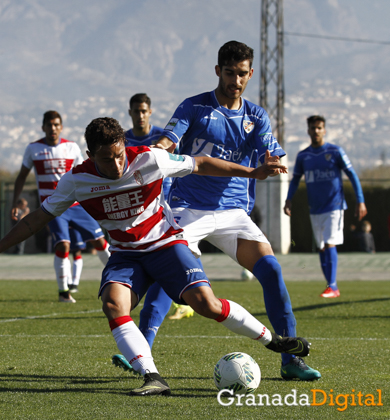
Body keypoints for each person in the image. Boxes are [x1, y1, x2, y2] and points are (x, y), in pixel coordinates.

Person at [0, 117, 311, 396]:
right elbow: (36, 219)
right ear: (89, 154)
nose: (117, 164)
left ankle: (273, 341)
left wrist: (252, 173)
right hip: (126, 256)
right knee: (114, 305)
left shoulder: (149, 158)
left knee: (205, 303)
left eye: (119, 154)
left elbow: (201, 163)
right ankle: (152, 376)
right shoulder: (76, 180)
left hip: (165, 245)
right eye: (107, 158)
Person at [125, 41, 321, 381]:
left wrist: (272, 159)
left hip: (233, 212)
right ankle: (141, 353)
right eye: (229, 73)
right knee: (167, 269)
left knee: (272, 271)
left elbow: (269, 148)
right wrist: (156, 151)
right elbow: (169, 140)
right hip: (188, 209)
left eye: (242, 74)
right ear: (218, 70)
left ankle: (290, 360)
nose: (236, 80)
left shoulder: (255, 115)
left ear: (251, 74)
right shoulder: (195, 107)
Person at [11, 110, 110, 303]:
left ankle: (122, 280)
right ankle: (63, 292)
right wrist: (15, 201)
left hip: (77, 205)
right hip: (52, 207)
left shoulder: (72, 147)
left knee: (99, 241)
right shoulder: (33, 149)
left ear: (61, 127)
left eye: (56, 125)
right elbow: (22, 176)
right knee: (63, 244)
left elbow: (86, 173)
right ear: (43, 127)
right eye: (49, 125)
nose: (53, 128)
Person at [125, 93, 195, 324]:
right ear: (130, 113)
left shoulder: (162, 138)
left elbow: (178, 165)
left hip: (166, 204)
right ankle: (183, 300)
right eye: (136, 111)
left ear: (150, 112)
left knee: (163, 254)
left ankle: (185, 298)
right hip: (138, 206)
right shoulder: (124, 140)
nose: (141, 115)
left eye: (144, 111)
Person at [284, 115, 366, 299]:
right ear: (308, 131)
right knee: (321, 247)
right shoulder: (303, 156)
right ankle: (329, 285)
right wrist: (288, 199)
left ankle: (333, 286)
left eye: (319, 128)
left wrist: (360, 200)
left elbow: (351, 174)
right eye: (313, 128)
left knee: (329, 243)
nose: (316, 131)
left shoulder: (335, 151)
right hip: (315, 209)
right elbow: (296, 179)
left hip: (334, 206)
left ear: (325, 130)